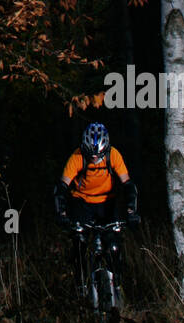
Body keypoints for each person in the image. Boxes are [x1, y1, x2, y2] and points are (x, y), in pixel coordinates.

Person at [54, 122, 139, 299]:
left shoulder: (113, 154)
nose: (94, 159)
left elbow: (128, 185)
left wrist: (131, 212)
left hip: (108, 202)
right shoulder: (78, 156)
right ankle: (80, 284)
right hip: (82, 202)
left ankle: (118, 284)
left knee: (114, 245)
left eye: (98, 156)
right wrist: (61, 213)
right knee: (79, 242)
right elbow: (62, 187)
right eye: (90, 156)